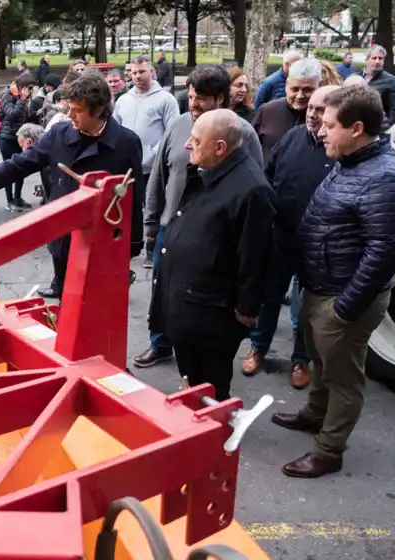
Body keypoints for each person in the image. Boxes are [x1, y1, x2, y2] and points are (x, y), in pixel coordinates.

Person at [273, 85, 395, 478]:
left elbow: (384, 253)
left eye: (329, 125)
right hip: (321, 286)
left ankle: (329, 450)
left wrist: (345, 308)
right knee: (320, 361)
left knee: (343, 377)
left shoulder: (385, 178)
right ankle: (315, 414)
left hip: (343, 298)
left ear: (356, 128)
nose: (319, 131)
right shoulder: (351, 159)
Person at [0, 73, 144, 300]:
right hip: (63, 242)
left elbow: (135, 196)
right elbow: (18, 165)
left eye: (77, 110)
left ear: (99, 110)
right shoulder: (59, 135)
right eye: (68, 108)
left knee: (96, 310)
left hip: (101, 247)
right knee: (66, 307)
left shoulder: (126, 143)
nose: (70, 116)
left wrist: (132, 245)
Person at [136, 65, 263, 368]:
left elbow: (253, 188)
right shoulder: (179, 125)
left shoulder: (241, 133)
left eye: (201, 99)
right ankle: (160, 343)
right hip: (171, 226)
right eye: (191, 96)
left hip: (212, 236)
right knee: (163, 291)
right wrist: (152, 224)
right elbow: (158, 177)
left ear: (220, 99)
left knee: (196, 302)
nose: (193, 104)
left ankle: (200, 360)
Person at [148, 109, 276, 400]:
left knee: (211, 385)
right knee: (192, 376)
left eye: (195, 139)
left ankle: (214, 430)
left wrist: (246, 310)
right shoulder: (213, 169)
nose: (187, 145)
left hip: (210, 314)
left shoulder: (251, 190)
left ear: (220, 148)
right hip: (189, 303)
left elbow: (255, 258)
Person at [242, 85, 340, 389]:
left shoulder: (338, 148)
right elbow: (269, 176)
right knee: (269, 296)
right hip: (281, 235)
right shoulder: (294, 136)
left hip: (318, 244)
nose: (312, 114)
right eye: (310, 108)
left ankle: (300, 360)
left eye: (320, 110)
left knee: (306, 305)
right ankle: (258, 347)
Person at [114, 54, 179, 266]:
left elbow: (172, 131)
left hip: (153, 166)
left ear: (151, 71)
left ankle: (152, 247)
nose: (137, 76)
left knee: (153, 209)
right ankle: (129, 245)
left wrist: (156, 153)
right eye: (133, 73)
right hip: (127, 169)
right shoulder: (123, 100)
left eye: (141, 72)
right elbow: (115, 129)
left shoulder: (166, 100)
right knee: (128, 210)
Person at [252, 58, 320, 167]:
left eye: (307, 90)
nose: (300, 96)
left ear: (319, 86)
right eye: (295, 89)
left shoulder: (326, 117)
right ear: (287, 85)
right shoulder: (267, 111)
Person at [0, 74, 37, 211]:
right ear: (21, 86)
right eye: (28, 88)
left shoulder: (24, 97)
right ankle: (10, 200)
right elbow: (11, 115)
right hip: (7, 138)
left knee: (21, 168)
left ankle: (18, 197)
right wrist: (22, 99)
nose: (30, 91)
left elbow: (25, 116)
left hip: (20, 138)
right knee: (8, 169)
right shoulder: (7, 95)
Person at [359, 45, 395, 127]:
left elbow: (394, 109)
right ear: (367, 60)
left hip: (377, 127)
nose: (377, 61)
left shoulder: (391, 80)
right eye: (374, 58)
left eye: (380, 58)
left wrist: (387, 127)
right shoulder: (355, 77)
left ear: (383, 61)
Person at [17, 123, 53, 203]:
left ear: (29, 142)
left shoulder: (47, 165)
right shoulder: (49, 155)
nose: (22, 151)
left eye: (22, 146)